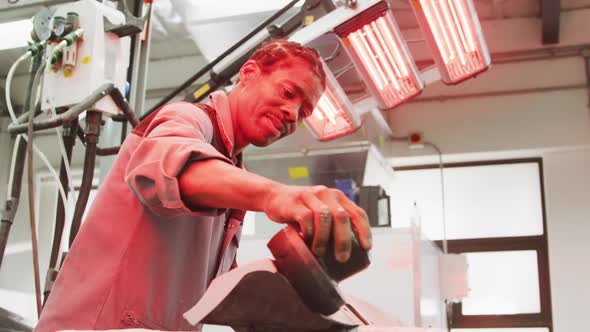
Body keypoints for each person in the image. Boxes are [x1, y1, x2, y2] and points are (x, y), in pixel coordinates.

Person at [35, 39, 372, 331]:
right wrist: (276, 195)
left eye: (303, 112)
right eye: (288, 93)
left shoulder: (233, 172)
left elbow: (214, 285)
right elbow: (170, 166)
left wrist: (293, 309)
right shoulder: (187, 119)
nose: (292, 114)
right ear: (249, 73)